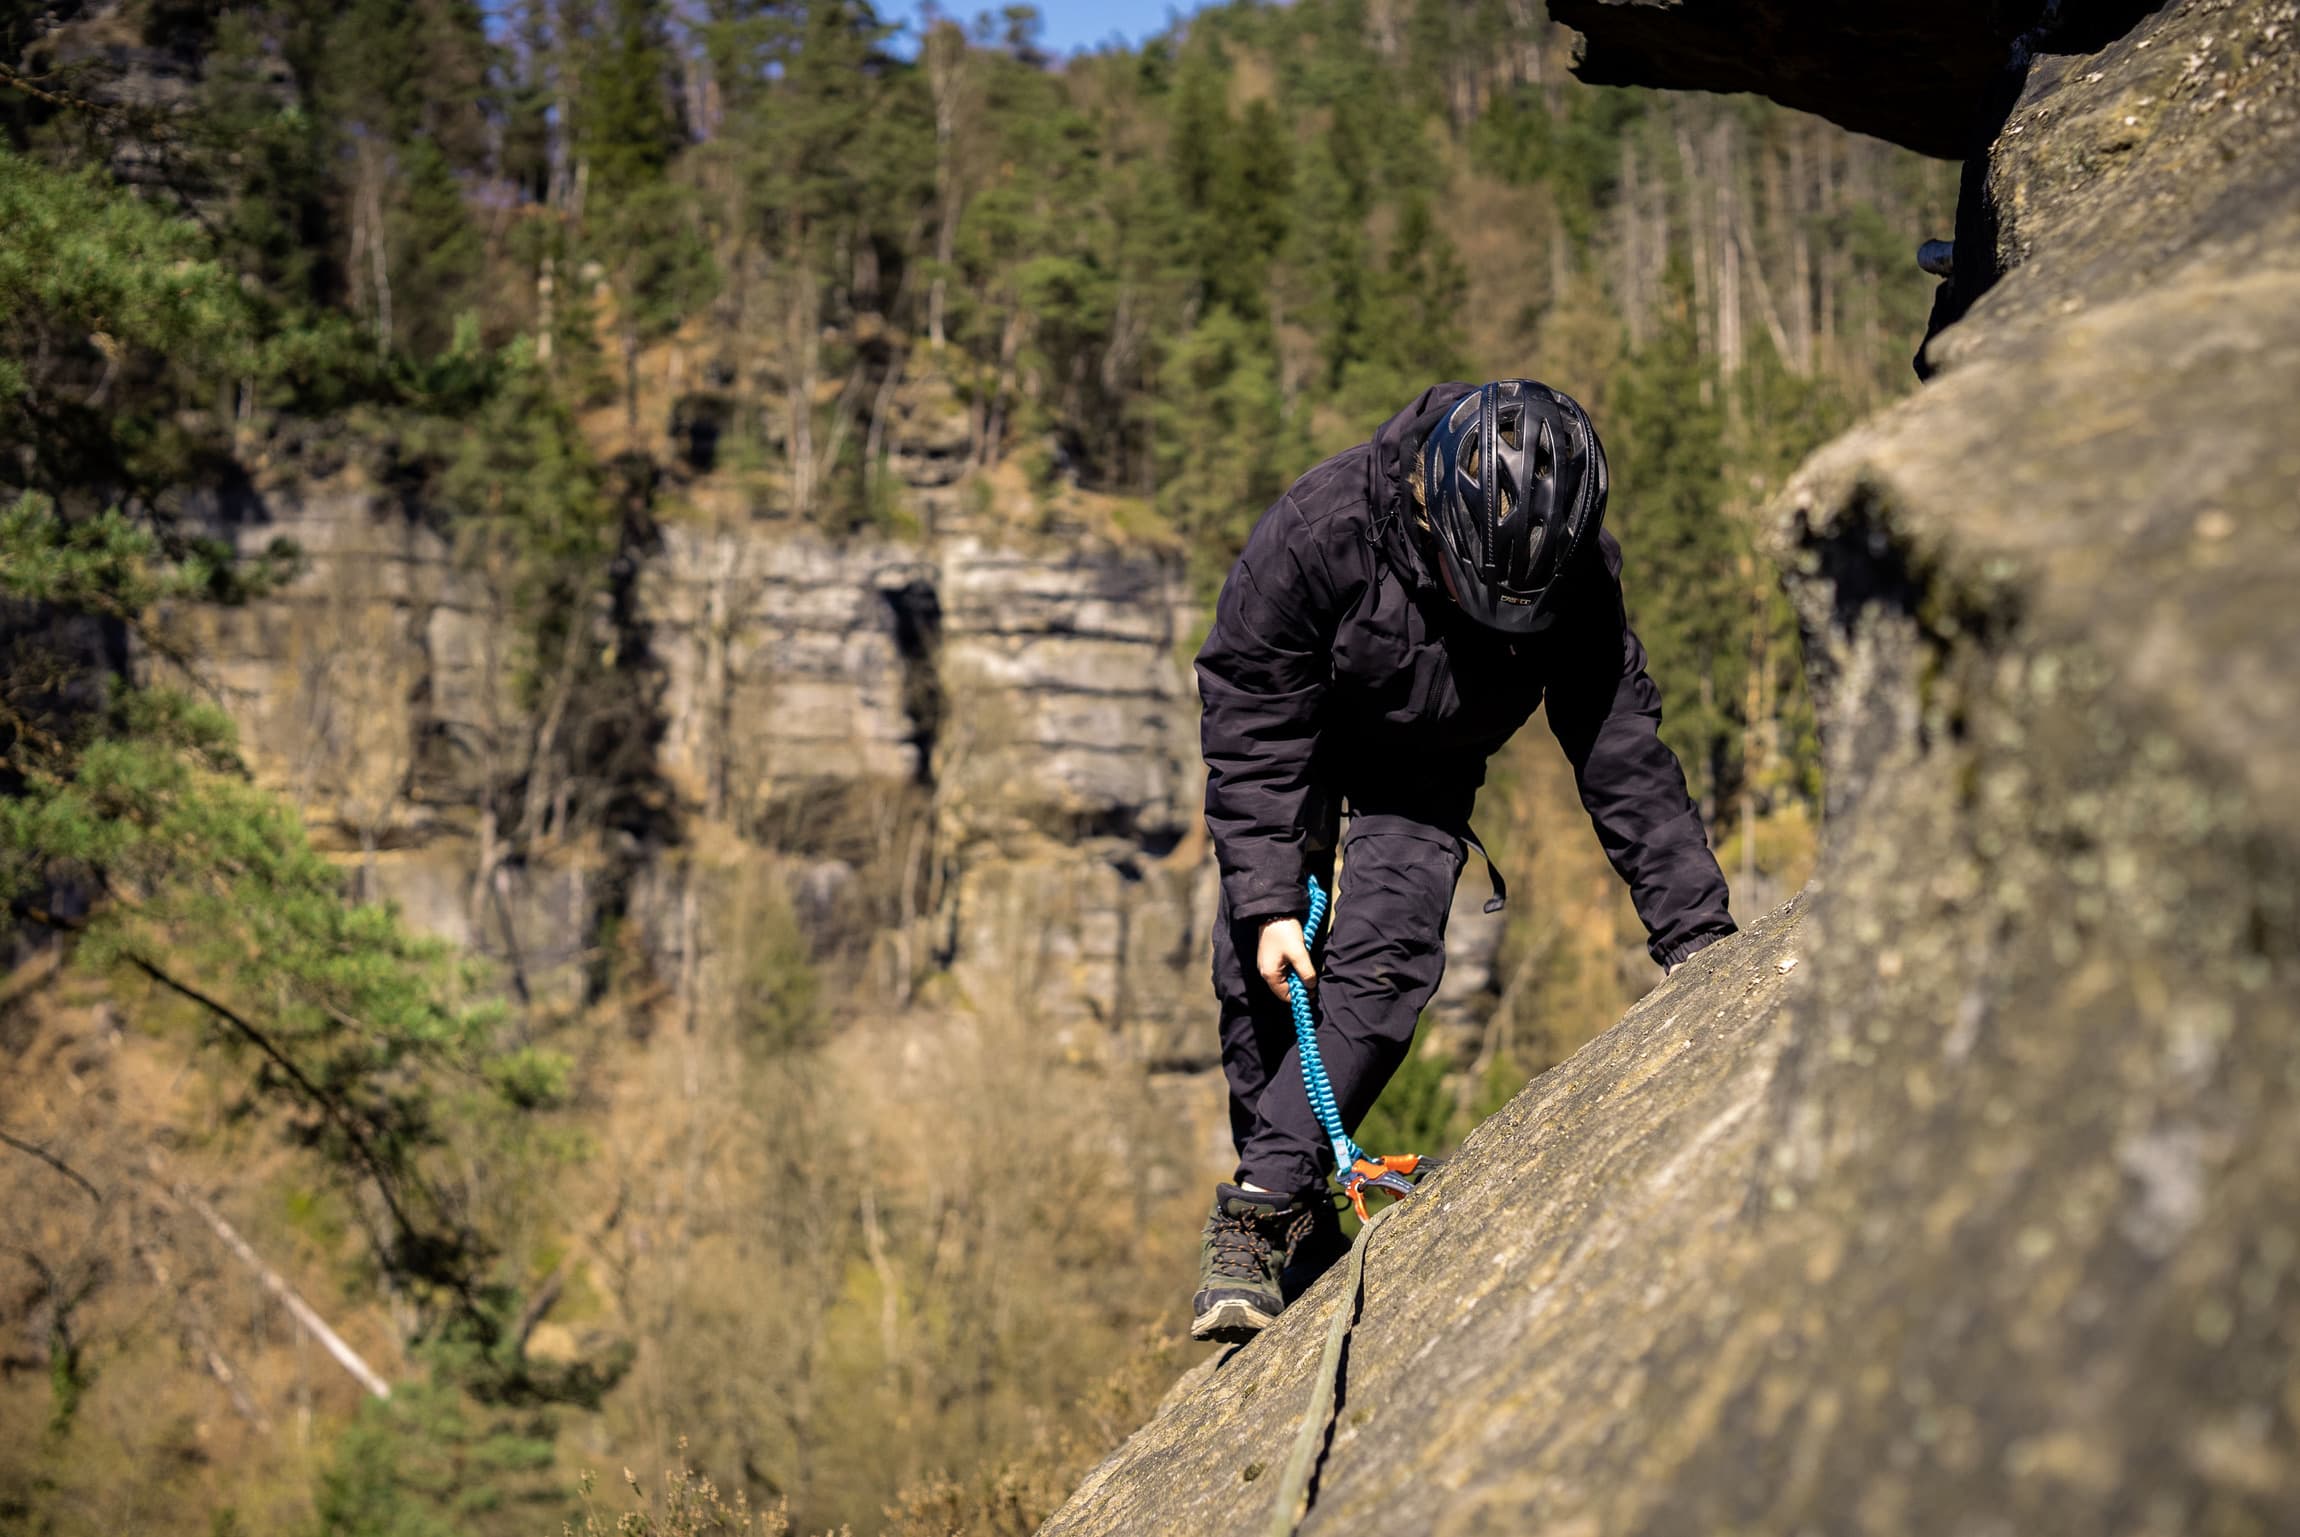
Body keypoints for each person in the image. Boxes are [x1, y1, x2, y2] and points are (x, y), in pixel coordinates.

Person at [1189, 379, 1738, 1343]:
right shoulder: (1323, 529)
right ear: (1430, 508)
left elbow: (1619, 747)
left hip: (1425, 769)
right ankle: (1277, 1209)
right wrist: (1274, 896)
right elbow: (1253, 713)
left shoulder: (1573, 570)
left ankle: (1262, 1201)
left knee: (1389, 959)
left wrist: (1696, 930)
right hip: (1304, 749)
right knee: (1264, 976)